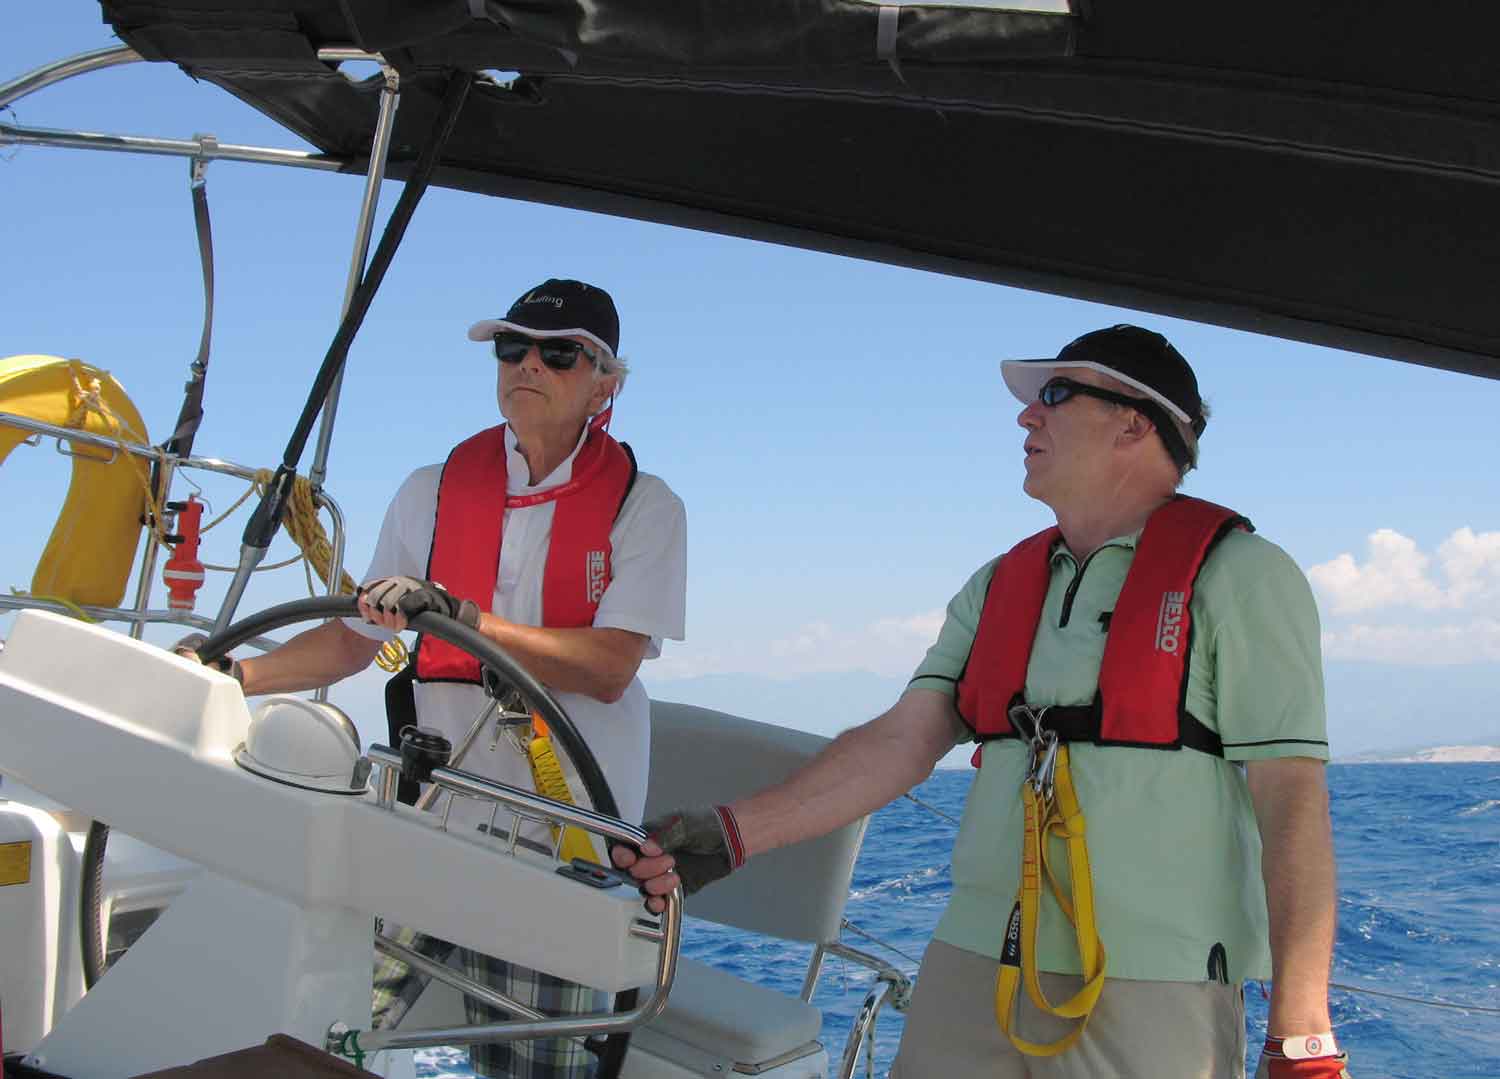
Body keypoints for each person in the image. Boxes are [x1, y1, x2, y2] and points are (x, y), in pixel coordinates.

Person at [616, 325, 1348, 1078]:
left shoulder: (1243, 575)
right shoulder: (1000, 584)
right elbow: (901, 740)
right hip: (973, 960)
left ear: (1135, 423)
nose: (1027, 416)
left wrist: (1302, 1035)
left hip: (1155, 979)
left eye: (1054, 395)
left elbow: (1291, 802)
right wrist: (731, 832)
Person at [186, 278, 687, 1079]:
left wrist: (463, 618)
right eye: (512, 347)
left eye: (559, 354)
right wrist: (229, 671)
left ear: (606, 385)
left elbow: (609, 665)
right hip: (433, 820)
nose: (528, 364)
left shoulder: (646, 507)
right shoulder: (429, 491)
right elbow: (351, 640)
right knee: (317, 1033)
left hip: (561, 849)